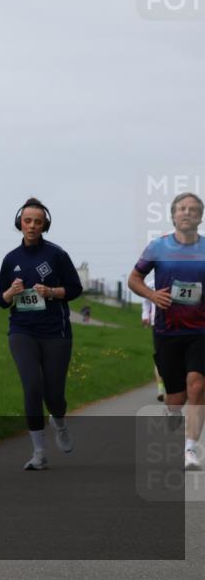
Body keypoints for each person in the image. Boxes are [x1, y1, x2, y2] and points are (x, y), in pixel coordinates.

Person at [0, 198, 84, 470]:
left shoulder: (56, 255)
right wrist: (10, 293)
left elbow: (75, 288)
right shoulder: (11, 259)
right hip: (22, 331)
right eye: (27, 220)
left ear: (45, 225)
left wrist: (53, 292)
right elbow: (0, 298)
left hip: (56, 332)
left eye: (37, 221)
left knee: (54, 394)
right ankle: (39, 452)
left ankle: (59, 421)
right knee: (32, 386)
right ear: (19, 223)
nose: (32, 226)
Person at [128, 192, 205, 471]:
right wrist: (152, 294)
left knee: (197, 385)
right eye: (182, 209)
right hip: (167, 331)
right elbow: (133, 279)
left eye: (193, 209)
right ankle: (173, 414)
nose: (187, 213)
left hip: (200, 330)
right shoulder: (157, 247)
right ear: (173, 215)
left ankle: (190, 450)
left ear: (200, 216)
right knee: (177, 397)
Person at [140, 274, 167, 402]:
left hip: (179, 325)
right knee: (160, 358)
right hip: (157, 324)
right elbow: (145, 303)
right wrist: (145, 316)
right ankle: (161, 388)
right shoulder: (150, 284)